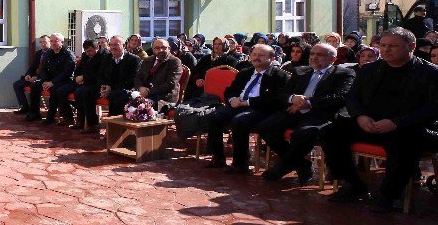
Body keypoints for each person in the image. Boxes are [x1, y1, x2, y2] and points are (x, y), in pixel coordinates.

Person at [321, 28, 438, 213]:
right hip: (369, 123)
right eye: (383, 45)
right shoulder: (369, 69)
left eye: (392, 46)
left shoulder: (430, 73)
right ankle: (353, 184)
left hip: (406, 128)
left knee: (405, 144)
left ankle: (388, 195)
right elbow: (352, 98)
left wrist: (396, 123)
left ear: (412, 47)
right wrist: (360, 116)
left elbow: (433, 108)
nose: (386, 50)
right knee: (330, 132)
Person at [259, 43, 355, 185]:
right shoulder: (300, 72)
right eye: (312, 54)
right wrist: (293, 99)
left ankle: (283, 167)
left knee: (303, 133)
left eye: (320, 55)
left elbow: (340, 97)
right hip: (295, 110)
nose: (314, 57)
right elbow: (283, 93)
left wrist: (308, 102)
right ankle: (300, 164)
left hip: (322, 114)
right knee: (266, 127)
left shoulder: (343, 74)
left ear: (332, 59)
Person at [204, 44, 289, 173]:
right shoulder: (245, 72)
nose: (256, 58)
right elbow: (230, 91)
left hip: (261, 109)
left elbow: (273, 100)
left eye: (261, 55)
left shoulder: (279, 76)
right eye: (254, 55)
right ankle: (218, 157)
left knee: (239, 121)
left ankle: (240, 163)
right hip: (238, 105)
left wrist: (247, 103)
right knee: (215, 116)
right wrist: (232, 100)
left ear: (272, 58)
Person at [26, 33, 75, 123]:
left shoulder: (68, 54)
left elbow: (67, 73)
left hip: (65, 81)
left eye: (55, 41)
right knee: (35, 85)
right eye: (51, 41)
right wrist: (45, 81)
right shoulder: (49, 53)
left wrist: (52, 82)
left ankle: (51, 117)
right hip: (50, 80)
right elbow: (43, 69)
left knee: (54, 89)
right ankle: (34, 113)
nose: (53, 43)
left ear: (62, 42)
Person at [98, 35, 142, 116]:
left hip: (126, 90)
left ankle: (115, 124)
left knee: (117, 96)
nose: (113, 47)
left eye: (116, 45)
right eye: (111, 45)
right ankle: (90, 124)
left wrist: (111, 88)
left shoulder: (134, 60)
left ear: (124, 46)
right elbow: (100, 75)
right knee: (85, 92)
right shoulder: (106, 58)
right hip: (108, 88)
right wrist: (103, 86)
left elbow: (131, 81)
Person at [134, 38, 183, 106]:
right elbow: (138, 77)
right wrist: (140, 87)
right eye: (157, 48)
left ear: (169, 48)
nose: (160, 50)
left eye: (163, 48)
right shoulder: (147, 60)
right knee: (127, 101)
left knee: (142, 105)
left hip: (164, 97)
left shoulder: (175, 61)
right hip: (145, 94)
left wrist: (149, 91)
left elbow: (170, 84)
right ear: (153, 50)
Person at [70, 40, 105, 132]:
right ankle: (80, 121)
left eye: (89, 50)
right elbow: (79, 69)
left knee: (86, 93)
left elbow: (99, 73)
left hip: (97, 84)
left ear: (96, 47)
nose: (88, 53)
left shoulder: (104, 56)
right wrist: (77, 77)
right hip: (85, 83)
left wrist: (84, 78)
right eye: (86, 51)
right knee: (77, 92)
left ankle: (92, 124)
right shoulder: (85, 55)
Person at [13, 35, 51, 114]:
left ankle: (34, 112)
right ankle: (25, 107)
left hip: (44, 79)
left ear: (49, 42)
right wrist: (28, 75)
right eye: (40, 42)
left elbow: (48, 71)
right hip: (34, 77)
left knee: (34, 86)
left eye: (45, 41)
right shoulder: (38, 53)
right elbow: (33, 66)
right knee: (17, 84)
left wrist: (37, 77)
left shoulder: (52, 53)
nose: (42, 44)